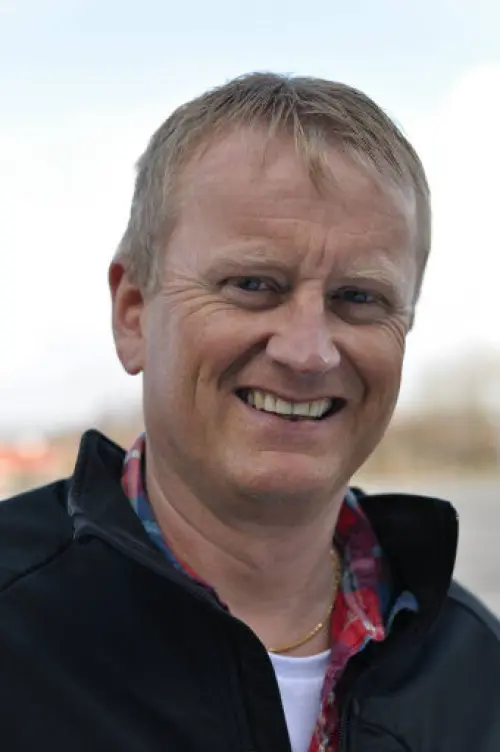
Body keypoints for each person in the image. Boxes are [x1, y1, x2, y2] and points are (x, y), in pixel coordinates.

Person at [0, 72, 499, 752]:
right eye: (254, 284)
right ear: (134, 313)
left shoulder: (480, 676)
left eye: (358, 298)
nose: (308, 352)